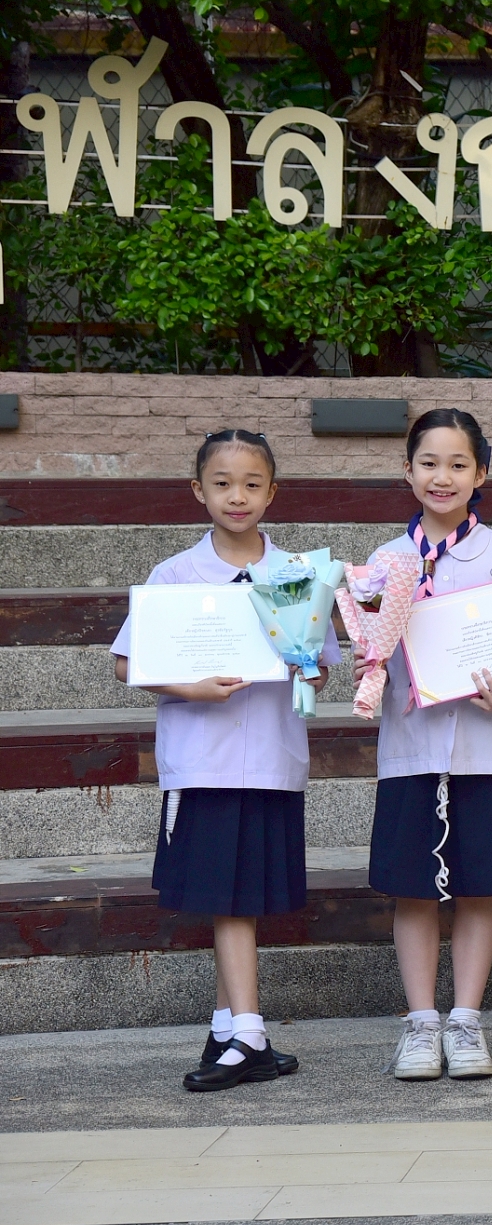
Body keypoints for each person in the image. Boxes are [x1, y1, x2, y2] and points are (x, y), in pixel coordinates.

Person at [112, 429, 338, 1091]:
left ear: (272, 492)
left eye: (251, 484)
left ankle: (227, 1028)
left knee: (240, 897)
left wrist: (309, 670)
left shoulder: (297, 573)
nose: (237, 496)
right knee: (229, 900)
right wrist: (189, 687)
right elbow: (126, 662)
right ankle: (250, 1037)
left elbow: (321, 666)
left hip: (270, 758)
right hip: (202, 762)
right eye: (222, 483)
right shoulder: (175, 576)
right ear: (198, 490)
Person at [362, 409, 492, 1082]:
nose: (443, 477)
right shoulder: (385, 562)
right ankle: (421, 1024)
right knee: (412, 891)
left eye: (458, 464)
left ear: (481, 473)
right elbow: (369, 650)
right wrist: (365, 652)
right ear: (407, 471)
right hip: (411, 748)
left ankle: (466, 1021)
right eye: (429, 463)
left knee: (479, 888)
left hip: (486, 748)